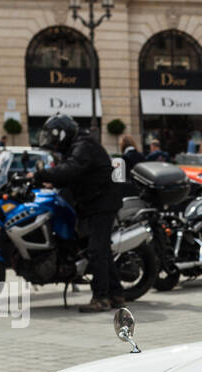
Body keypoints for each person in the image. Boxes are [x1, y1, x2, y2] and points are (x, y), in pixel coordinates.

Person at [34, 114, 124, 313]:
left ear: (63, 133)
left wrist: (42, 174)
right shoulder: (78, 145)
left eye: (54, 137)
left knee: (96, 250)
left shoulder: (83, 145)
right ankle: (116, 294)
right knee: (103, 251)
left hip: (102, 203)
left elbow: (72, 169)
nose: (53, 142)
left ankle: (101, 298)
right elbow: (72, 173)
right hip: (96, 202)